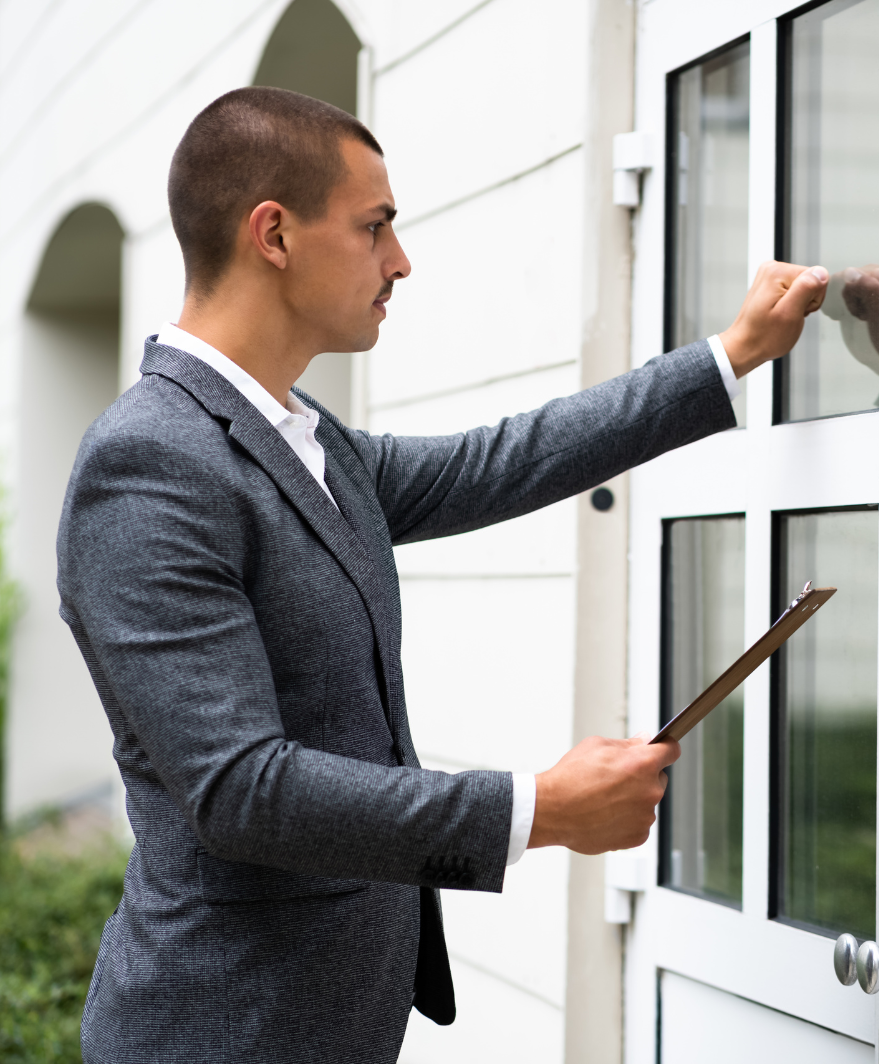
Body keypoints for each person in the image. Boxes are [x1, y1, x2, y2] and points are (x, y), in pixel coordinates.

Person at [58, 87, 828, 1063]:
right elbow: (241, 791)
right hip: (224, 1033)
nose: (400, 260)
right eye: (375, 227)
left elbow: (501, 460)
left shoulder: (304, 439)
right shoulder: (150, 465)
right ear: (274, 234)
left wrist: (733, 356)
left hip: (338, 1022)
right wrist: (537, 808)